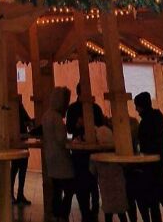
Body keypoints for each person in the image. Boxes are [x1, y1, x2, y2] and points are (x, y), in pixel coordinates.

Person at [134, 92, 163, 222]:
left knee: (154, 203)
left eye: (137, 106)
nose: (136, 109)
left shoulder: (145, 122)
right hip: (160, 166)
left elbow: (144, 144)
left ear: (141, 106)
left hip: (150, 168)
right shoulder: (158, 117)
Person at [66, 83, 104, 222]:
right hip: (84, 152)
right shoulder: (94, 108)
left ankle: (90, 212)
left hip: (83, 153)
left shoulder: (74, 108)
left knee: (89, 182)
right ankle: (88, 212)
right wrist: (78, 124)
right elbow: (70, 129)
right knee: (89, 182)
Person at [42, 86, 75, 222]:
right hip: (61, 158)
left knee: (56, 189)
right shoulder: (56, 118)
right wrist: (72, 140)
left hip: (50, 156)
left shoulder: (46, 116)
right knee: (69, 188)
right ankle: (63, 214)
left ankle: (55, 214)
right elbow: (61, 139)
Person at [91, 112, 130, 222]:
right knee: (122, 212)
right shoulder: (117, 153)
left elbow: (92, 170)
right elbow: (124, 165)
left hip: (105, 186)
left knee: (108, 213)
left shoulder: (97, 157)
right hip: (119, 184)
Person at [11, 95, 33, 206]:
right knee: (16, 168)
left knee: (19, 168)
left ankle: (18, 194)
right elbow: (28, 120)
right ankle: (15, 194)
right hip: (18, 141)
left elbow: (27, 119)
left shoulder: (17, 106)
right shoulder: (15, 106)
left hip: (21, 141)